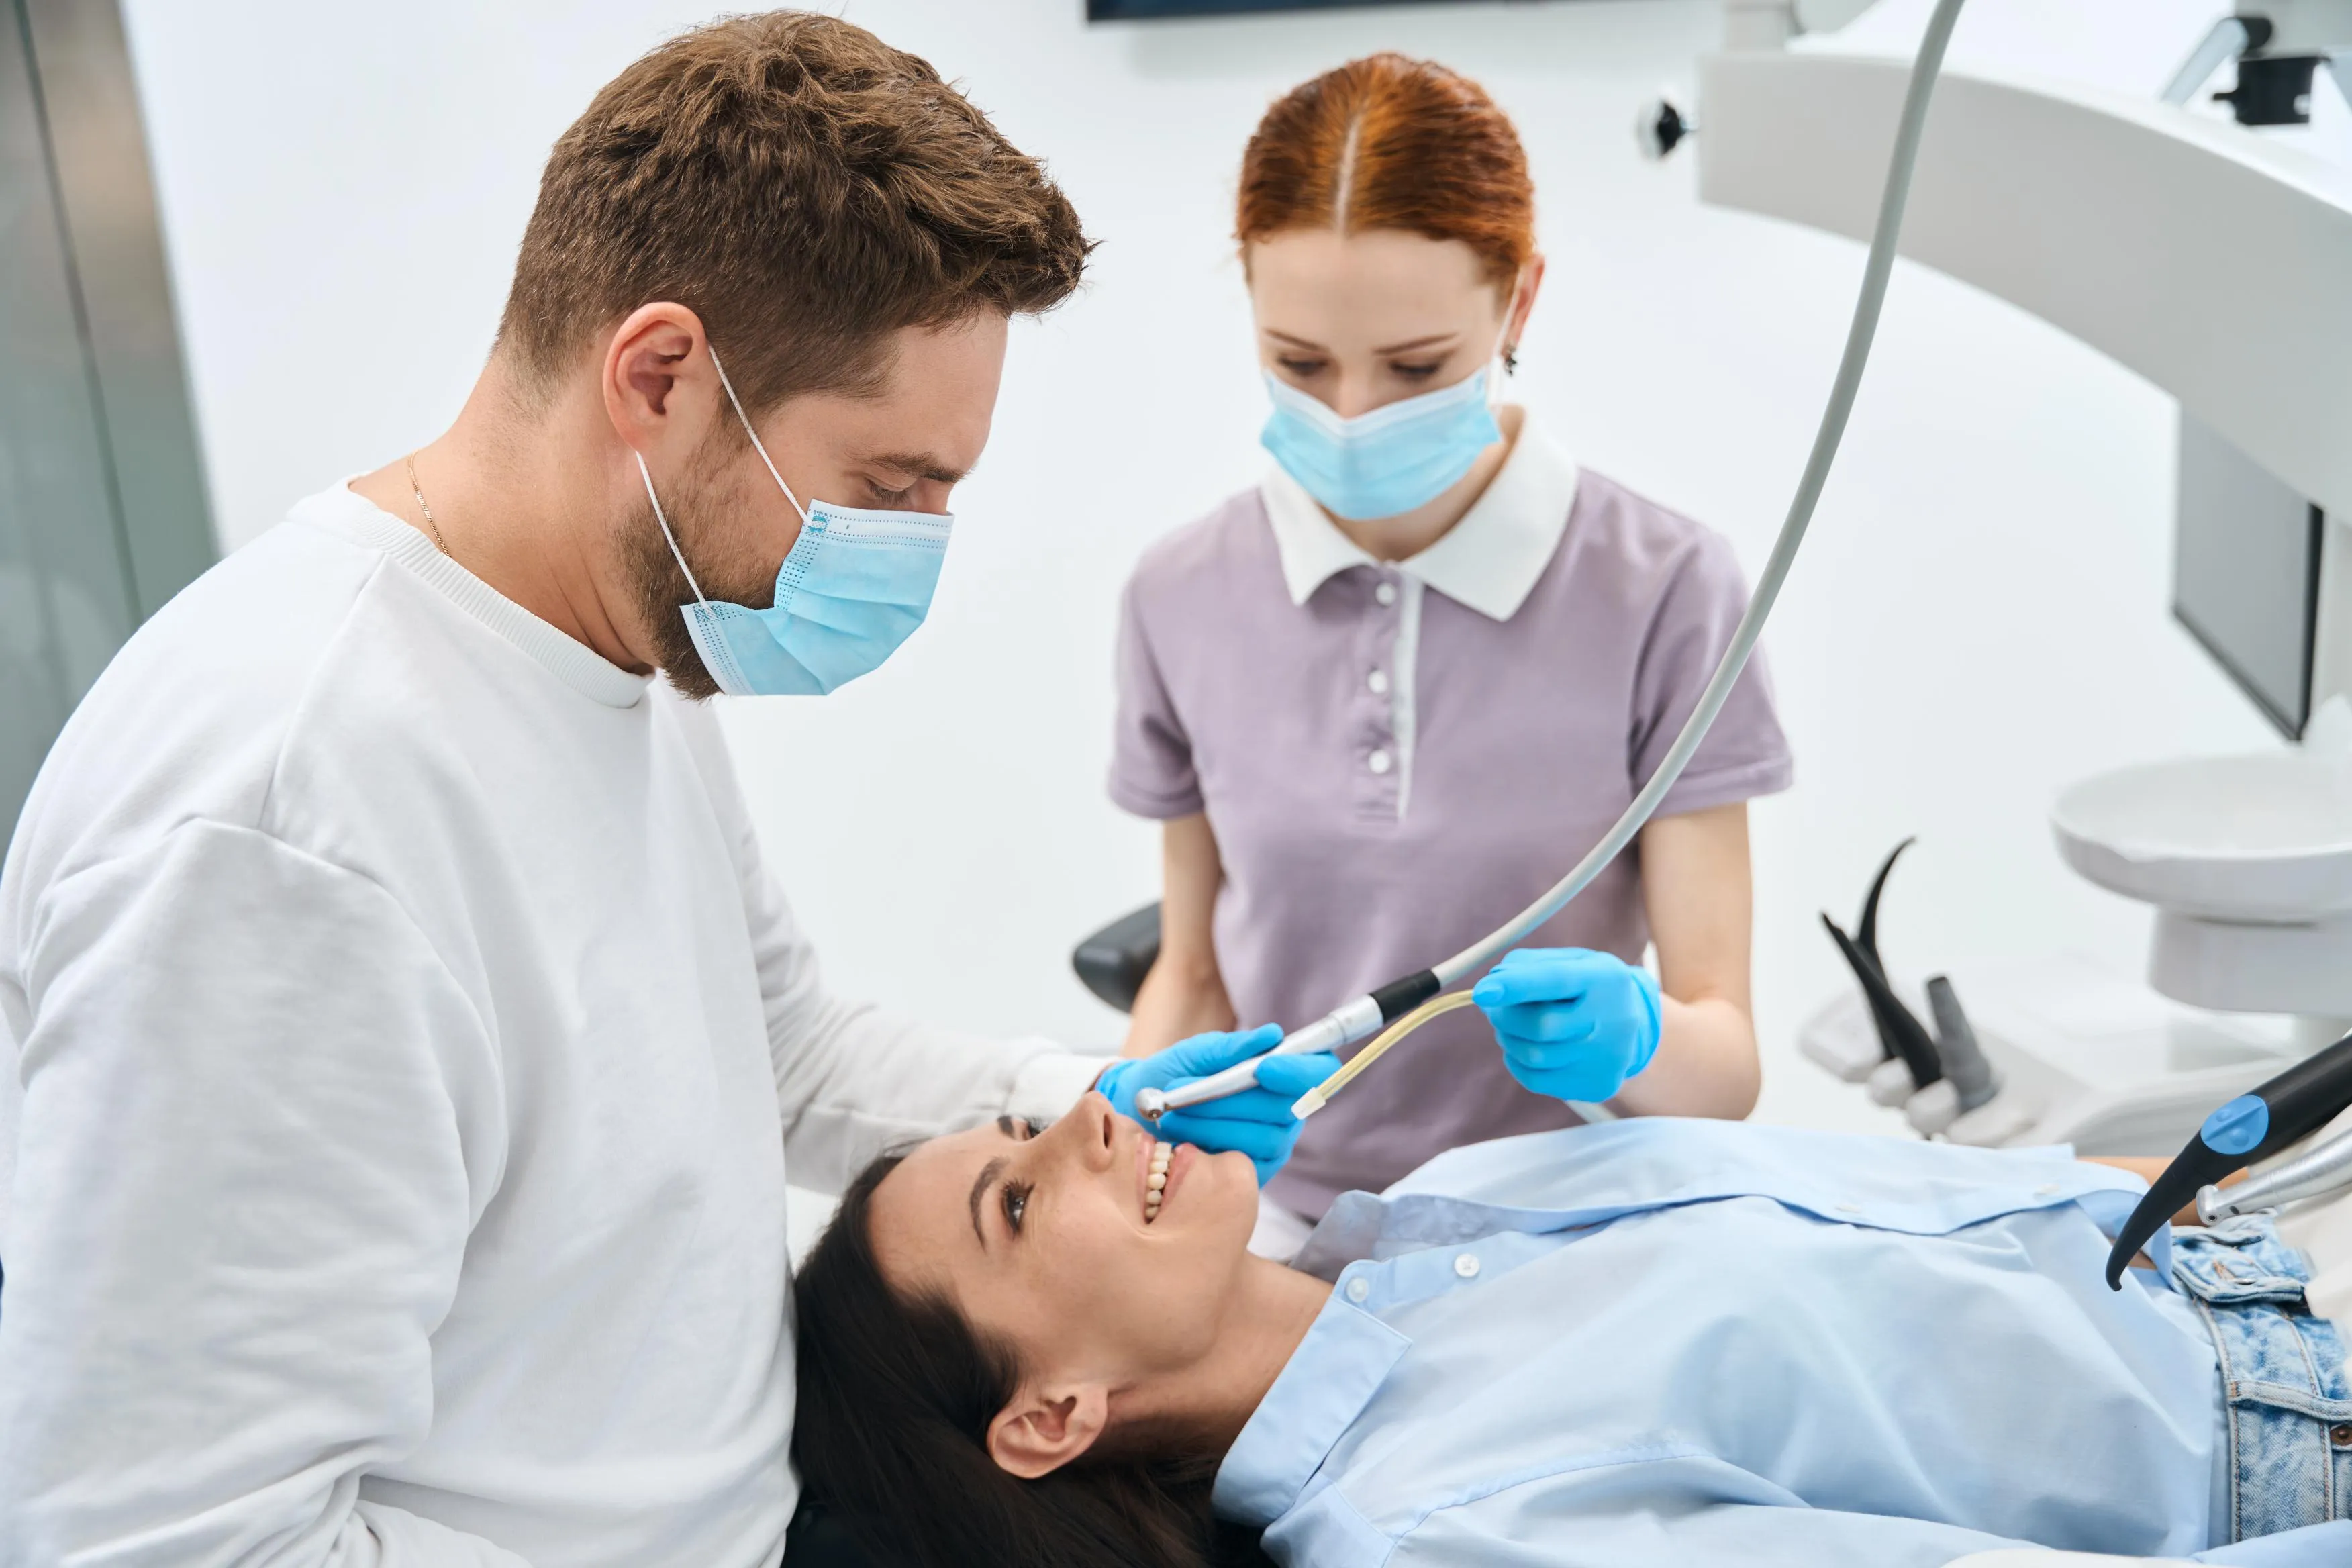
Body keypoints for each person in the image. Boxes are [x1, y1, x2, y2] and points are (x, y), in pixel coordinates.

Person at [0, 15, 1334, 1566]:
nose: (917, 547)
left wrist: (1081, 1102)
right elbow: (172, 1538)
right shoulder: (289, 822)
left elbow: (777, 1048)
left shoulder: (617, 640)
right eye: (890, 488)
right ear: (661, 374)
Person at [1112, 54, 1792, 1251]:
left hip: (1573, 1230)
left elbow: (1723, 1066)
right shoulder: (1181, 593)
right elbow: (1193, 970)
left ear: (1519, 305)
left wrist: (1640, 1039)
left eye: (1416, 368)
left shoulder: (1669, 588)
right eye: (1300, 363)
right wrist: (1139, 1118)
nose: (1355, 416)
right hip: (1281, 1230)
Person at [791, 1099, 2352, 1568]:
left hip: (2249, 1246)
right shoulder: (1441, 1528)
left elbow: (1880, 1201)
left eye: (1020, 1120)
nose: (1083, 1115)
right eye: (1017, 1201)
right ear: (1050, 1414)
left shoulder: (1435, 1211)